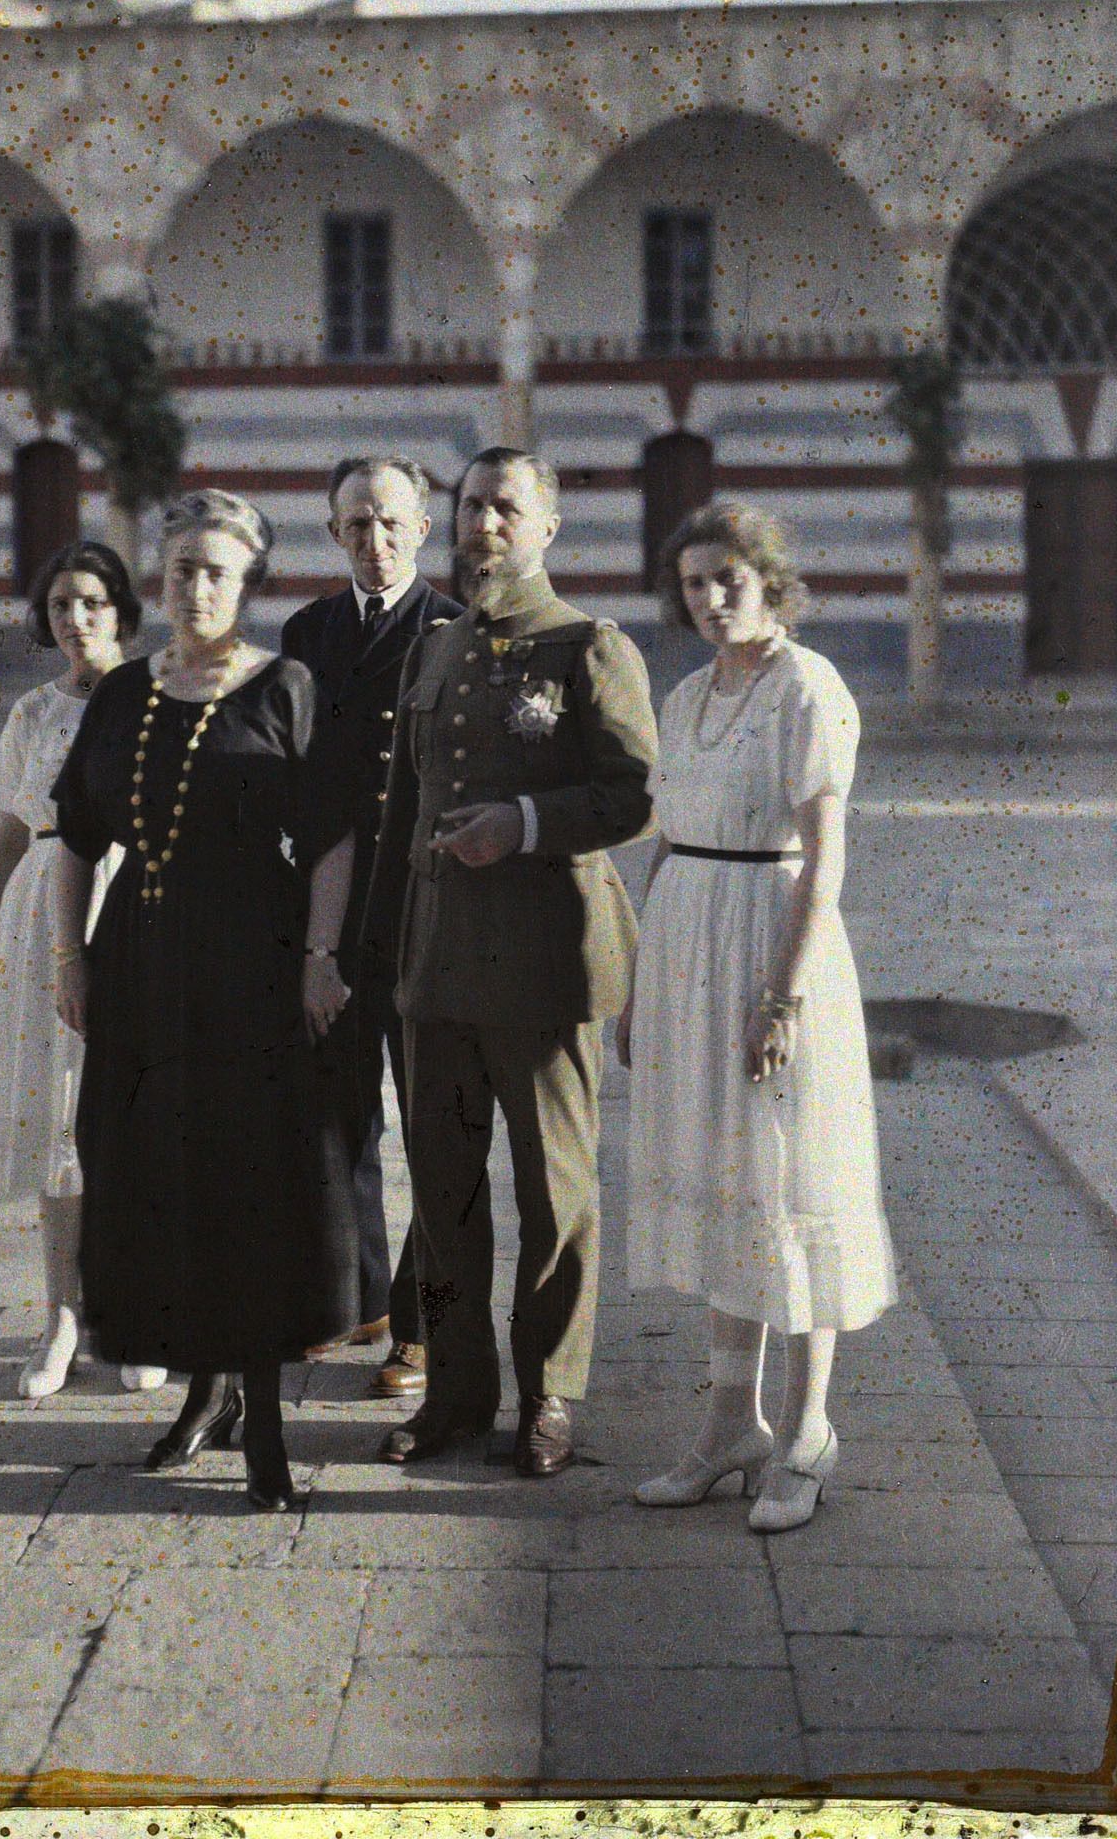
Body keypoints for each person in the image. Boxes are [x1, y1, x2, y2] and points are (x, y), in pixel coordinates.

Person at [52, 490, 358, 1512]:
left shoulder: (287, 687)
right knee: (155, 1174)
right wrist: (69, 956)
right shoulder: (123, 690)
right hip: (136, 963)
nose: (195, 587)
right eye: (181, 569)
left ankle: (263, 1420)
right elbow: (75, 832)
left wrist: (320, 956)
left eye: (216, 571)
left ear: (248, 582)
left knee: (249, 1186)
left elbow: (331, 837)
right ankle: (204, 1392)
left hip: (252, 966)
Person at [365, 447, 659, 1477]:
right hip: (437, 968)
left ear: (547, 527)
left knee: (554, 1192)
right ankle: (455, 1393)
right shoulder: (434, 649)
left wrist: (527, 821)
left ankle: (550, 1397)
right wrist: (379, 953)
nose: (483, 524)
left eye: (505, 507)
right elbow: (401, 811)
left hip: (543, 970)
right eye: (471, 506)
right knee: (443, 1194)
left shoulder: (589, 646)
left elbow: (633, 795)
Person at [618, 503, 897, 1533]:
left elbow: (823, 856)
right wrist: (643, 980)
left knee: (788, 1178)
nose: (710, 597)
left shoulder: (807, 687)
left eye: (728, 578)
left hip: (773, 947)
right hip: (689, 940)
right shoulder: (687, 693)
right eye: (693, 582)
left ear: (770, 582)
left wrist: (779, 994)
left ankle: (807, 1429)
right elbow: (667, 837)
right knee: (724, 1177)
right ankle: (728, 1421)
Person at [281, 456, 462, 1398]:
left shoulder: (454, 630)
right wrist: (314, 944)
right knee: (333, 1114)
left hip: (425, 915)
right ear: (333, 533)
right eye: (355, 524)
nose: (373, 540)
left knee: (427, 1120)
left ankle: (420, 1325)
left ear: (423, 530)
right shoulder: (306, 631)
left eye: (390, 523)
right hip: (331, 906)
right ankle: (355, 1298)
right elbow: (307, 789)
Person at [0, 539, 169, 1400]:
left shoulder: (161, 696)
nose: (76, 619)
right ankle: (61, 1320)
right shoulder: (32, 714)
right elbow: (10, 836)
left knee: (133, 1117)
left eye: (91, 602)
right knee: (58, 1123)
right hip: (39, 918)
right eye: (60, 606)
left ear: (121, 610)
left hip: (133, 909)